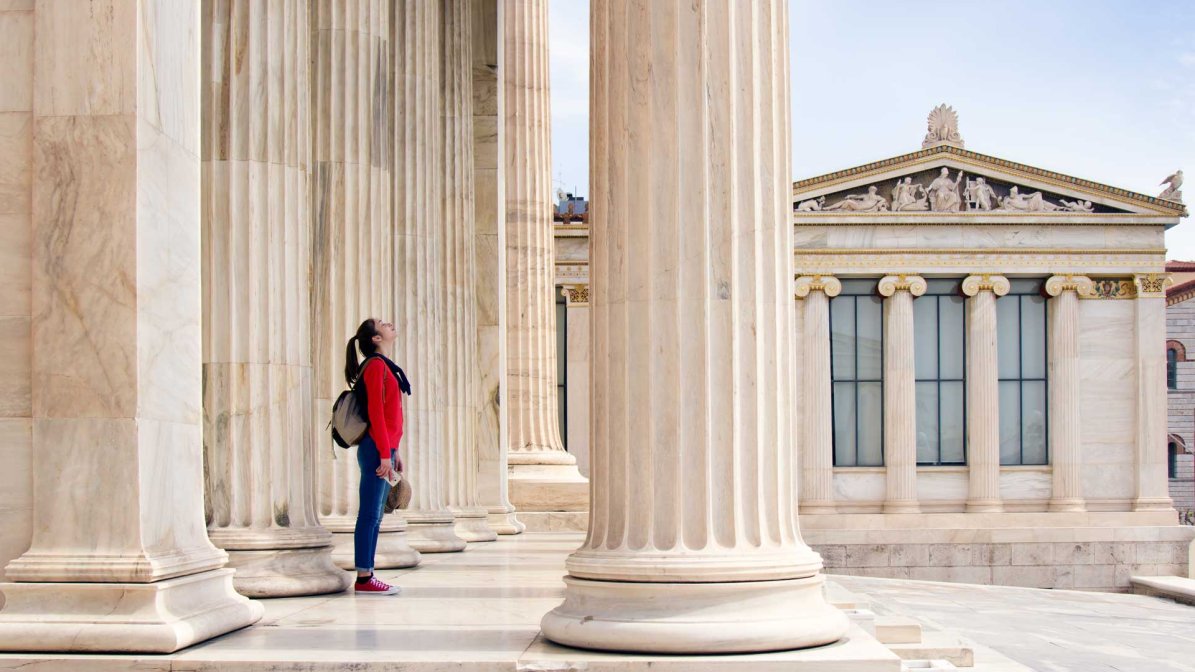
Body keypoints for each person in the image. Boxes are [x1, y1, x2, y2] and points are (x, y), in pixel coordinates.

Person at [344, 318, 410, 595]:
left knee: (376, 515)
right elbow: (376, 414)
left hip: (384, 449)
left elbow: (390, 414)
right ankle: (364, 577)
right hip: (376, 449)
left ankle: (367, 574)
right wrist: (385, 453)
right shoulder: (374, 366)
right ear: (376, 338)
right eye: (383, 324)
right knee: (370, 514)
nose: (390, 324)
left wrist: (394, 452)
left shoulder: (383, 366)